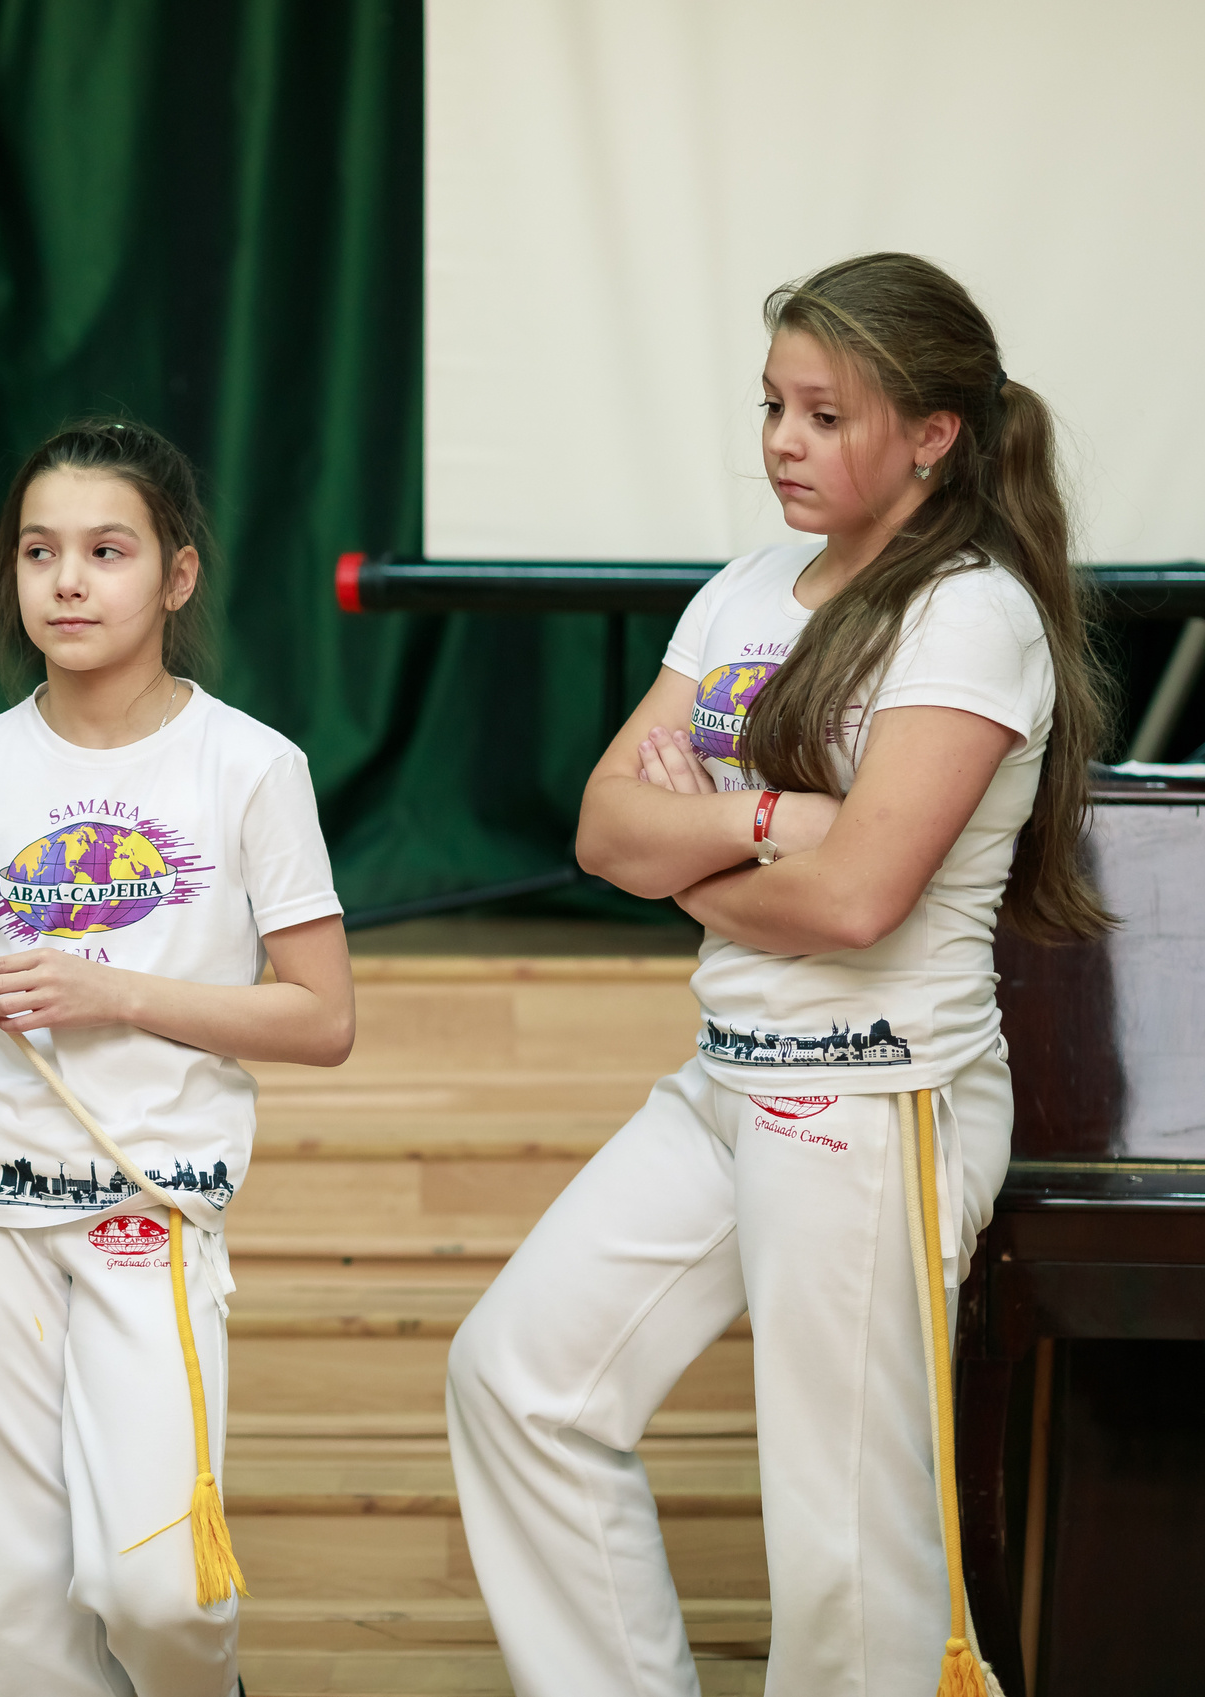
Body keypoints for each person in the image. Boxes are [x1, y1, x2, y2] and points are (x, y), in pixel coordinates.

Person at [445, 252, 1112, 1696]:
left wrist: (682, 864)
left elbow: (860, 896)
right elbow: (596, 823)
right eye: (772, 409)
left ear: (934, 433)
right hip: (728, 1080)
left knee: (848, 1552)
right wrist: (757, 826)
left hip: (876, 1104)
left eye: (825, 414)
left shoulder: (971, 615)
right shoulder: (746, 591)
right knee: (519, 1379)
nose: (784, 445)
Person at [0, 420, 356, 1697]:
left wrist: (105, 987)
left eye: (106, 550)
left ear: (174, 575)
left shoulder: (248, 764)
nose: (67, 580)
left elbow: (320, 1017)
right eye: (39, 550)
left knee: (155, 1588)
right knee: (21, 1603)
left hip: (147, 1207)